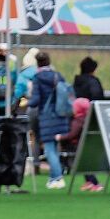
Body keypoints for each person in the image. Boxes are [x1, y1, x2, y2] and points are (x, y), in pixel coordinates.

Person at [29, 52, 70, 190]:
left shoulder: (37, 78)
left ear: (37, 63)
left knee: (49, 148)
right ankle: (53, 177)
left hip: (46, 116)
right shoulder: (57, 76)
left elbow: (35, 101)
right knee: (54, 147)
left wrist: (26, 101)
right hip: (60, 114)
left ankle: (58, 177)